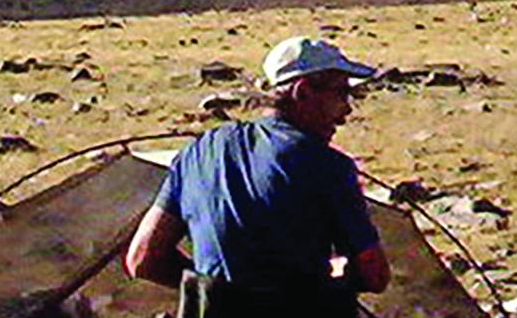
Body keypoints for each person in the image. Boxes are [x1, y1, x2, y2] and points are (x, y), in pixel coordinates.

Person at [124, 35, 391, 317]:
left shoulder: (198, 153)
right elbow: (374, 275)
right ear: (303, 92)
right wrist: (338, 272)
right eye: (341, 93)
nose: (347, 109)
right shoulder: (327, 166)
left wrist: (210, 290)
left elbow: (142, 260)